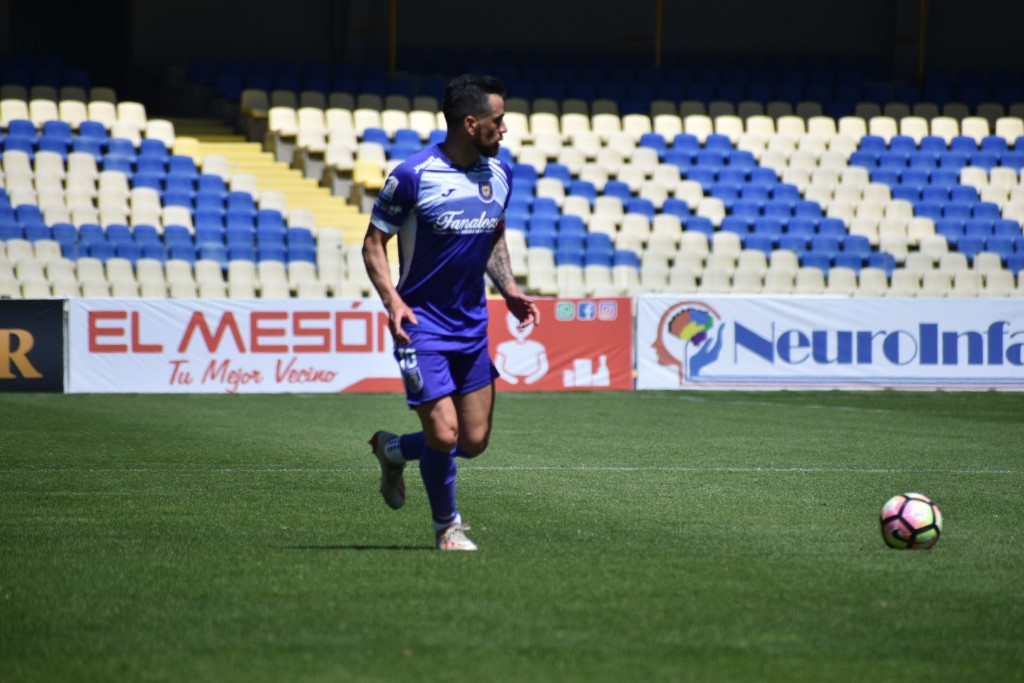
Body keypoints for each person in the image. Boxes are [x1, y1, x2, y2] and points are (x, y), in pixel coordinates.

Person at [362, 74, 539, 551]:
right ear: (470, 122)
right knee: (443, 432)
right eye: (497, 120)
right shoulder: (412, 176)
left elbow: (494, 233)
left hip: (472, 327)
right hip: (419, 326)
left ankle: (393, 449)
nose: (504, 129)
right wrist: (393, 301)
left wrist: (509, 287)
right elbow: (374, 244)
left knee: (473, 440)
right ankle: (448, 528)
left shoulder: (500, 174)